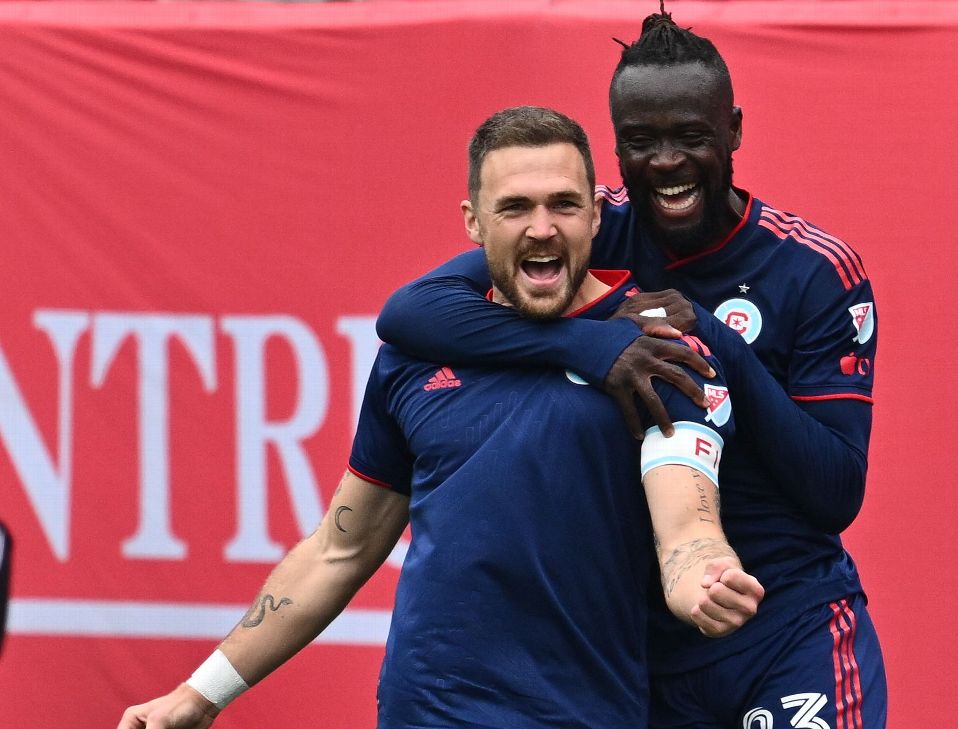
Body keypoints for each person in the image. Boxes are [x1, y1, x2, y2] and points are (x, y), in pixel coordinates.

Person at [117, 106, 764, 729]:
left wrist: (700, 580)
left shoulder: (658, 352)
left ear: (596, 214)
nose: (542, 227)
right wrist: (200, 693)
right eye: (515, 207)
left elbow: (686, 527)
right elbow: (340, 548)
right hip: (423, 713)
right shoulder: (416, 353)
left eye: (563, 204)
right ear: (474, 223)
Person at [375, 9, 886, 728]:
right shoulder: (593, 225)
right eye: (641, 142)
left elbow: (836, 490)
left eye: (691, 137)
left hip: (782, 625)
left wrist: (711, 339)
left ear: (733, 132)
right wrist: (586, 346)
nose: (667, 162)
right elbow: (409, 311)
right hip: (645, 653)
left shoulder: (812, 269)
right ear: (616, 147)